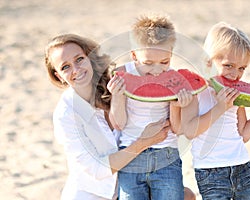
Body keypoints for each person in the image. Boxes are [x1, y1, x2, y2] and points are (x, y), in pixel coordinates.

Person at [44, 33, 171, 200]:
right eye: (65, 67)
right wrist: (144, 142)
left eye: (79, 59)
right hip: (92, 194)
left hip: (130, 185)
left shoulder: (114, 85)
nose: (76, 69)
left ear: (90, 57)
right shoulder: (65, 115)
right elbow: (97, 169)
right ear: (58, 76)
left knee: (187, 195)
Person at [178, 22, 250, 200]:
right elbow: (190, 131)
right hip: (211, 174)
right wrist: (220, 107)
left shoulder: (236, 94)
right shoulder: (195, 92)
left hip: (243, 168)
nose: (235, 74)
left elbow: (243, 134)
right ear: (208, 61)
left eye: (242, 68)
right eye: (228, 65)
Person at [108, 14, 194, 200]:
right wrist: (117, 96)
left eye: (164, 62)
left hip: (167, 155)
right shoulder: (122, 74)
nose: (156, 70)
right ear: (134, 56)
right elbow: (119, 124)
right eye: (148, 63)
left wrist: (177, 105)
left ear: (171, 54)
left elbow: (177, 128)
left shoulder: (174, 78)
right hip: (131, 156)